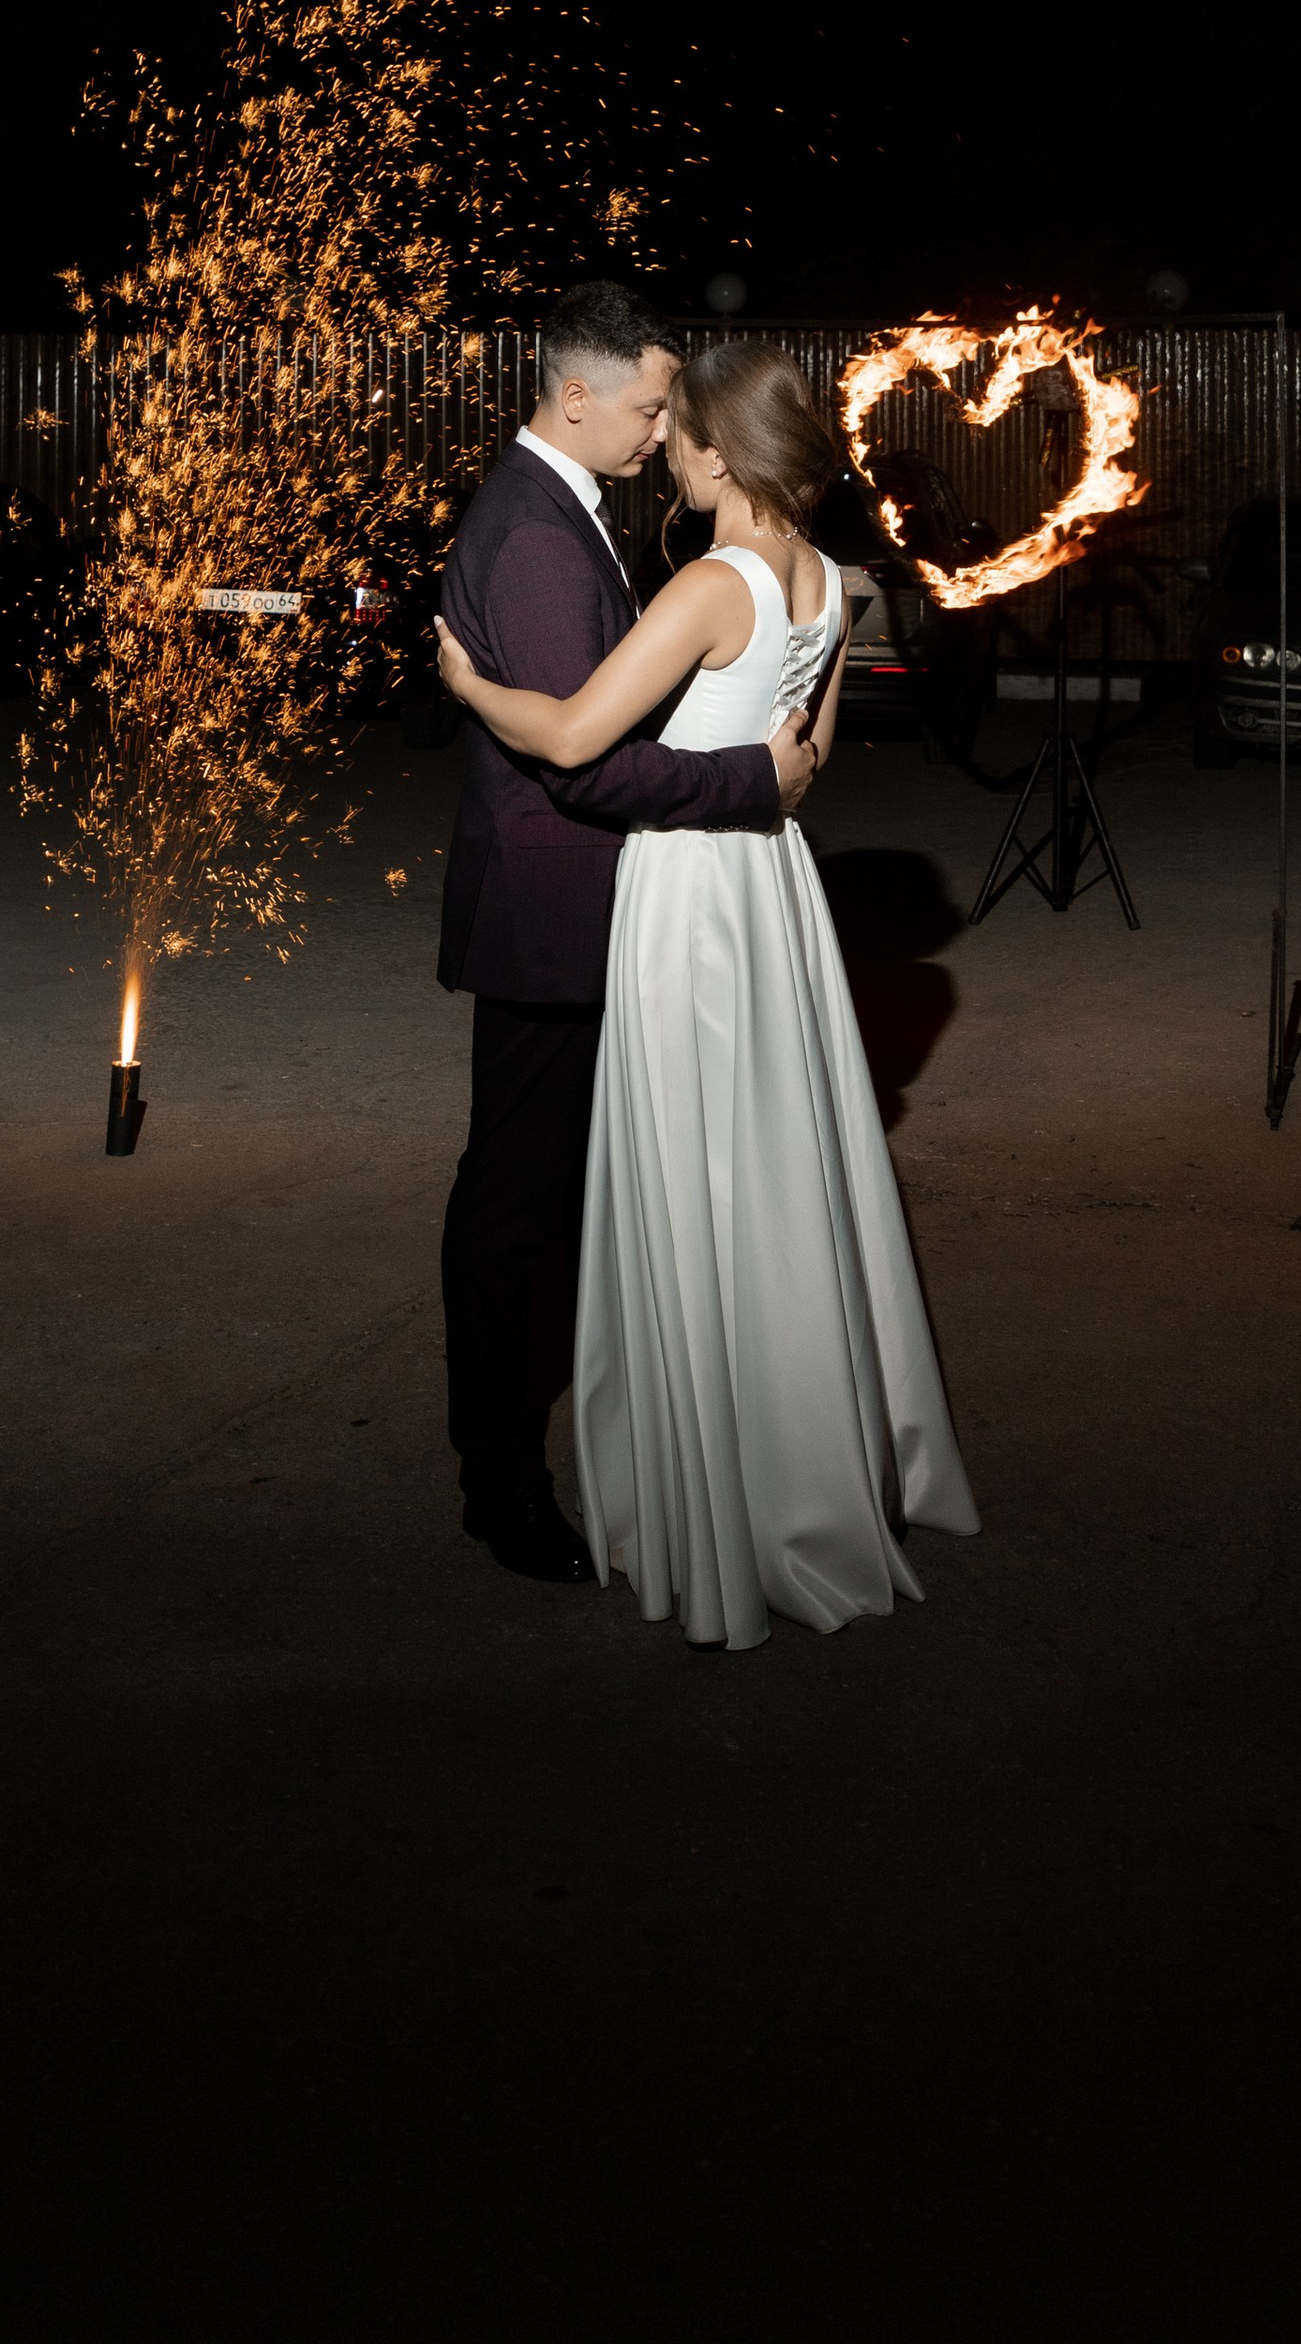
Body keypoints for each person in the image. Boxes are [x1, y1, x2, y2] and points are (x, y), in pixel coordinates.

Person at [440, 335, 980, 1649]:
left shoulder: (708, 581)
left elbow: (571, 737)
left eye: (678, 430)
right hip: (773, 889)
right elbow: (809, 756)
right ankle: (809, 1454)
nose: (661, 447)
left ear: (720, 451)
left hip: (687, 895)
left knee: (692, 1172)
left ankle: (716, 1478)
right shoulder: (827, 582)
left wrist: (471, 682)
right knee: (771, 1168)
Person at [436, 284, 815, 1584]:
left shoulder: (564, 510)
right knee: (516, 1205)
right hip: (556, 921)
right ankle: (501, 1480)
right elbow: (587, 770)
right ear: (577, 394)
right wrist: (751, 783)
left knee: (584, 1197)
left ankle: (638, 1451)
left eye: (672, 413)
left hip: (604, 913)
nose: (662, 434)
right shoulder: (538, 537)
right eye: (650, 407)